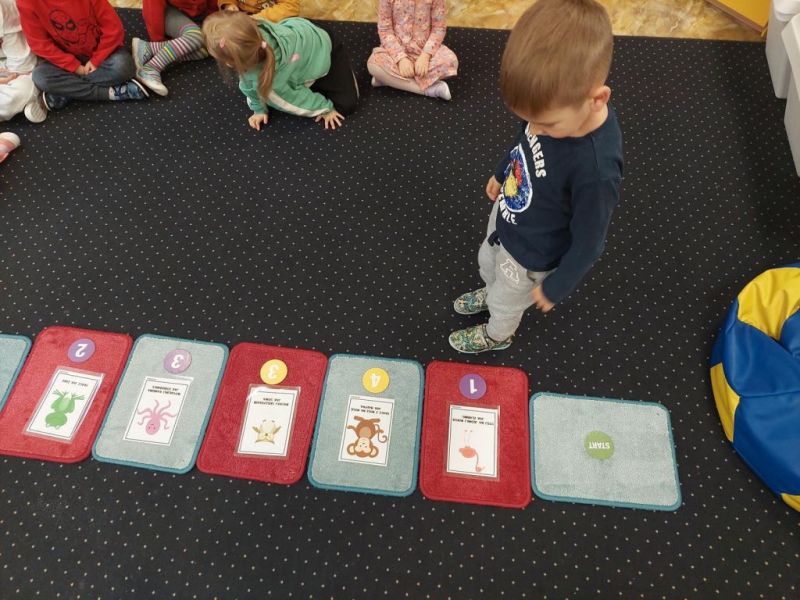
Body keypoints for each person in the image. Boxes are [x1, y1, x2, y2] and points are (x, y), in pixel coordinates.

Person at [448, 0, 624, 353]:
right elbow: (524, 139)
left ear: (597, 99)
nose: (537, 130)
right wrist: (503, 170)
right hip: (509, 214)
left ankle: (497, 334)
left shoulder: (596, 170)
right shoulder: (552, 113)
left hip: (532, 254)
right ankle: (491, 291)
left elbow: (590, 241)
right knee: (488, 263)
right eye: (532, 119)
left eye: (547, 124)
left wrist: (556, 287)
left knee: (507, 302)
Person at [203, 11, 358, 130]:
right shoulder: (255, 30)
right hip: (303, 27)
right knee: (286, 81)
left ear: (230, 63)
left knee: (346, 106)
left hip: (327, 48)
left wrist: (324, 108)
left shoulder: (270, 84)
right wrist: (259, 110)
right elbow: (250, 88)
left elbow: (295, 101)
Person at [18, 0, 148, 111]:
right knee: (40, 77)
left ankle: (66, 92)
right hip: (65, 61)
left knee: (123, 66)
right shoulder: (27, 3)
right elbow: (39, 43)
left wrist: (96, 60)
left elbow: (113, 29)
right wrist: (74, 66)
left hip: (103, 56)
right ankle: (109, 93)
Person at [367, 0, 457, 101]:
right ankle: (429, 90)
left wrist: (425, 56)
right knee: (373, 65)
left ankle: (388, 80)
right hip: (395, 50)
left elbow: (438, 29)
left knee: (452, 62)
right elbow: (385, 30)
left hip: (424, 50)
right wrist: (401, 59)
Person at [134, 0, 217, 96]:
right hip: (168, 13)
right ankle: (151, 68)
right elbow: (153, 12)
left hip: (197, 17)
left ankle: (149, 49)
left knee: (207, 49)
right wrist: (158, 40)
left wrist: (212, 23)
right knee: (197, 37)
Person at [0, 0, 46, 122]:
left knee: (18, 93)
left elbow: (21, 67)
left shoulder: (6, 7)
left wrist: (6, 78)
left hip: (15, 71)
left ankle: (41, 95)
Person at [218, 0, 299, 23]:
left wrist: (257, 18)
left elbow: (290, 7)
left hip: (273, 21)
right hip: (241, 16)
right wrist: (229, 4)